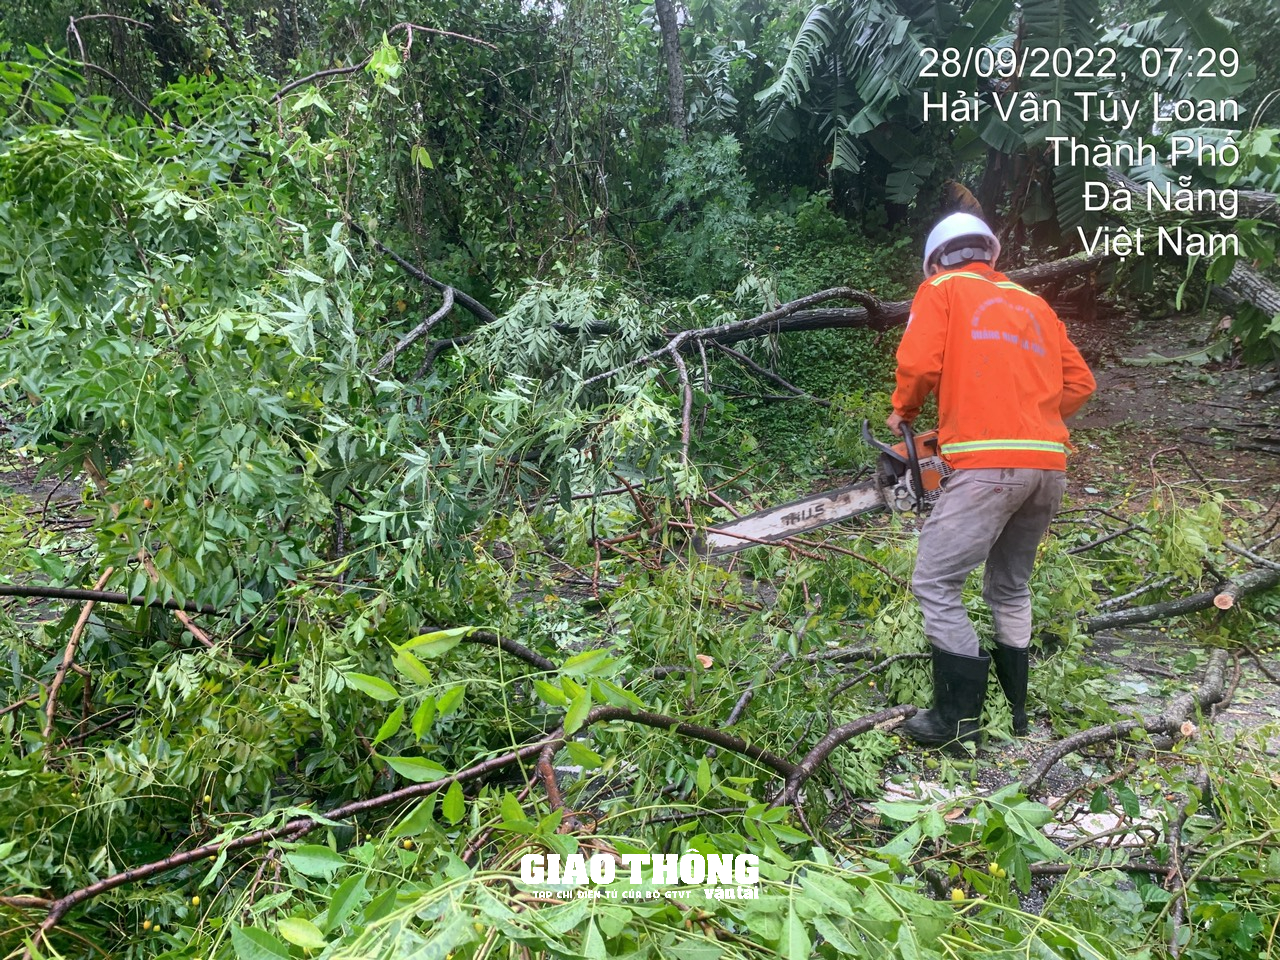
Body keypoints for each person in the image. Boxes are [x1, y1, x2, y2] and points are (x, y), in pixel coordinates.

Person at [887, 212, 1096, 745]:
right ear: (989, 254)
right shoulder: (1035, 305)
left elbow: (919, 364)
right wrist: (1029, 418)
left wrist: (903, 412)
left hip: (989, 471)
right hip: (1048, 466)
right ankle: (1014, 713)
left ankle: (956, 722)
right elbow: (1081, 383)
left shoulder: (943, 290)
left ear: (937, 260)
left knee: (935, 582)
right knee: (1009, 586)